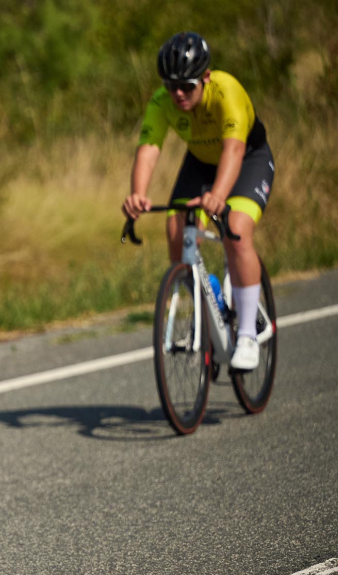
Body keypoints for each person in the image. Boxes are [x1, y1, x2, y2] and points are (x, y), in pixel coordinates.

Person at [122, 31, 274, 370]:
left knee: (235, 229)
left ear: (205, 78)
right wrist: (138, 193)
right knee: (176, 229)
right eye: (170, 84)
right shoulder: (162, 101)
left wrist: (219, 197)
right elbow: (148, 150)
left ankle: (248, 334)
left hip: (248, 158)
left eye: (187, 86)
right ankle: (212, 300)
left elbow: (233, 150)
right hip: (201, 163)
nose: (177, 94)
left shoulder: (226, 91)